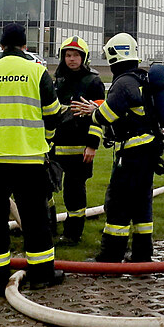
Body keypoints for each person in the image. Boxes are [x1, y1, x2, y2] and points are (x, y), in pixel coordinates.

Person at [0, 22, 67, 294]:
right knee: (35, 219)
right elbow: (53, 115)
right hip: (28, 159)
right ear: (24, 46)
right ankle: (42, 274)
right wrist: (47, 141)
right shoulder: (37, 72)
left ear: (0, 46)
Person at [92, 32, 162, 264]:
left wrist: (91, 113)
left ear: (114, 56)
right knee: (142, 203)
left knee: (118, 202)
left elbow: (105, 116)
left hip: (132, 153)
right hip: (150, 151)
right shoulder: (143, 79)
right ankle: (142, 253)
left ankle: (111, 256)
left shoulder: (123, 83)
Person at [50, 36, 103, 245]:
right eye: (68, 55)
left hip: (80, 148)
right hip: (56, 145)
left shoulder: (93, 81)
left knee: (74, 192)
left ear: (84, 57)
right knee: (46, 187)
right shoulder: (58, 80)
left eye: (76, 55)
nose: (71, 59)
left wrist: (92, 145)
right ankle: (48, 228)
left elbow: (98, 117)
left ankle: (73, 234)